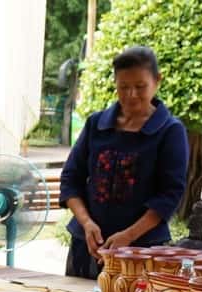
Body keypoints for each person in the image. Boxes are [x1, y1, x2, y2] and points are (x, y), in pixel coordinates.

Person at [59, 45, 189, 279]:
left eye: (140, 87)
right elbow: (71, 179)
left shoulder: (170, 131)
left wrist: (127, 237)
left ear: (157, 81)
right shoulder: (96, 124)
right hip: (87, 246)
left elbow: (170, 195)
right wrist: (86, 223)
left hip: (143, 251)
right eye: (123, 87)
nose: (131, 95)